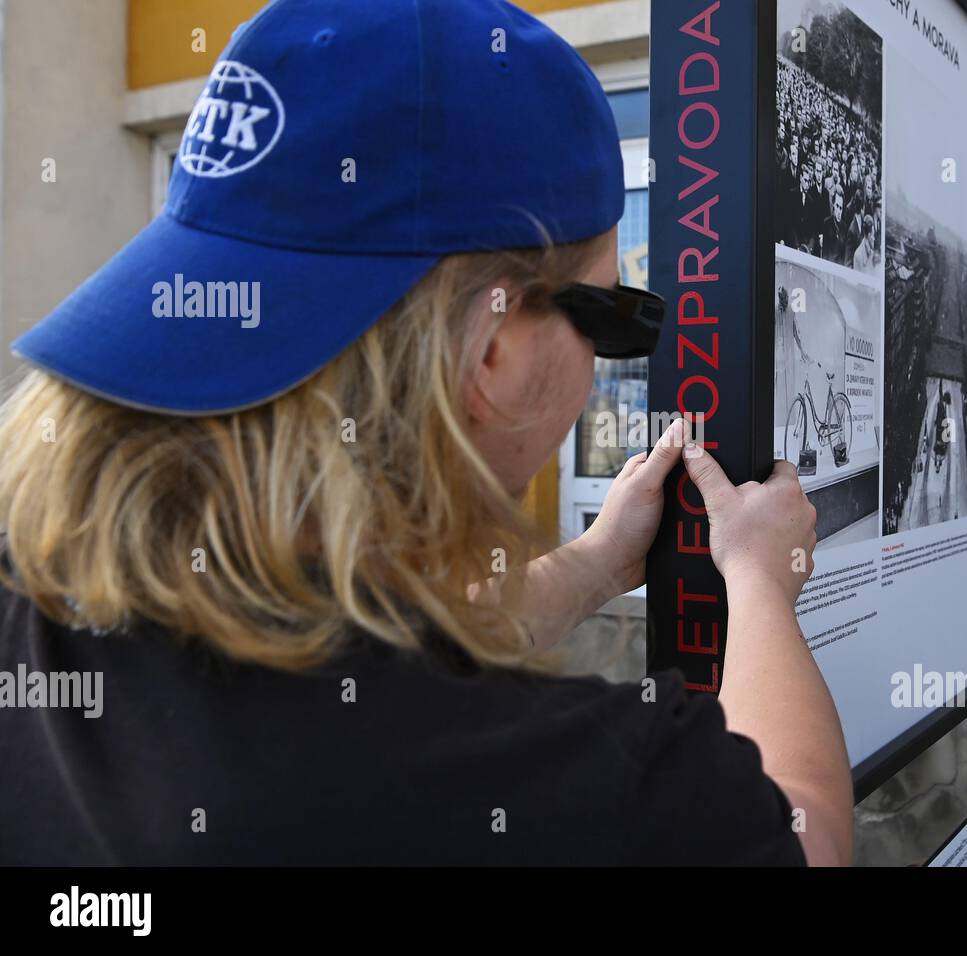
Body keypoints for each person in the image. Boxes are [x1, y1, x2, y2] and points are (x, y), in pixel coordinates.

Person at [0, 0, 853, 866]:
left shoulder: (32, 597)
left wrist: (595, 565)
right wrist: (759, 581)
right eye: (614, 316)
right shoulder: (570, 792)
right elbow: (805, 829)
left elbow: (361, 655)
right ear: (490, 351)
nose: (609, 358)